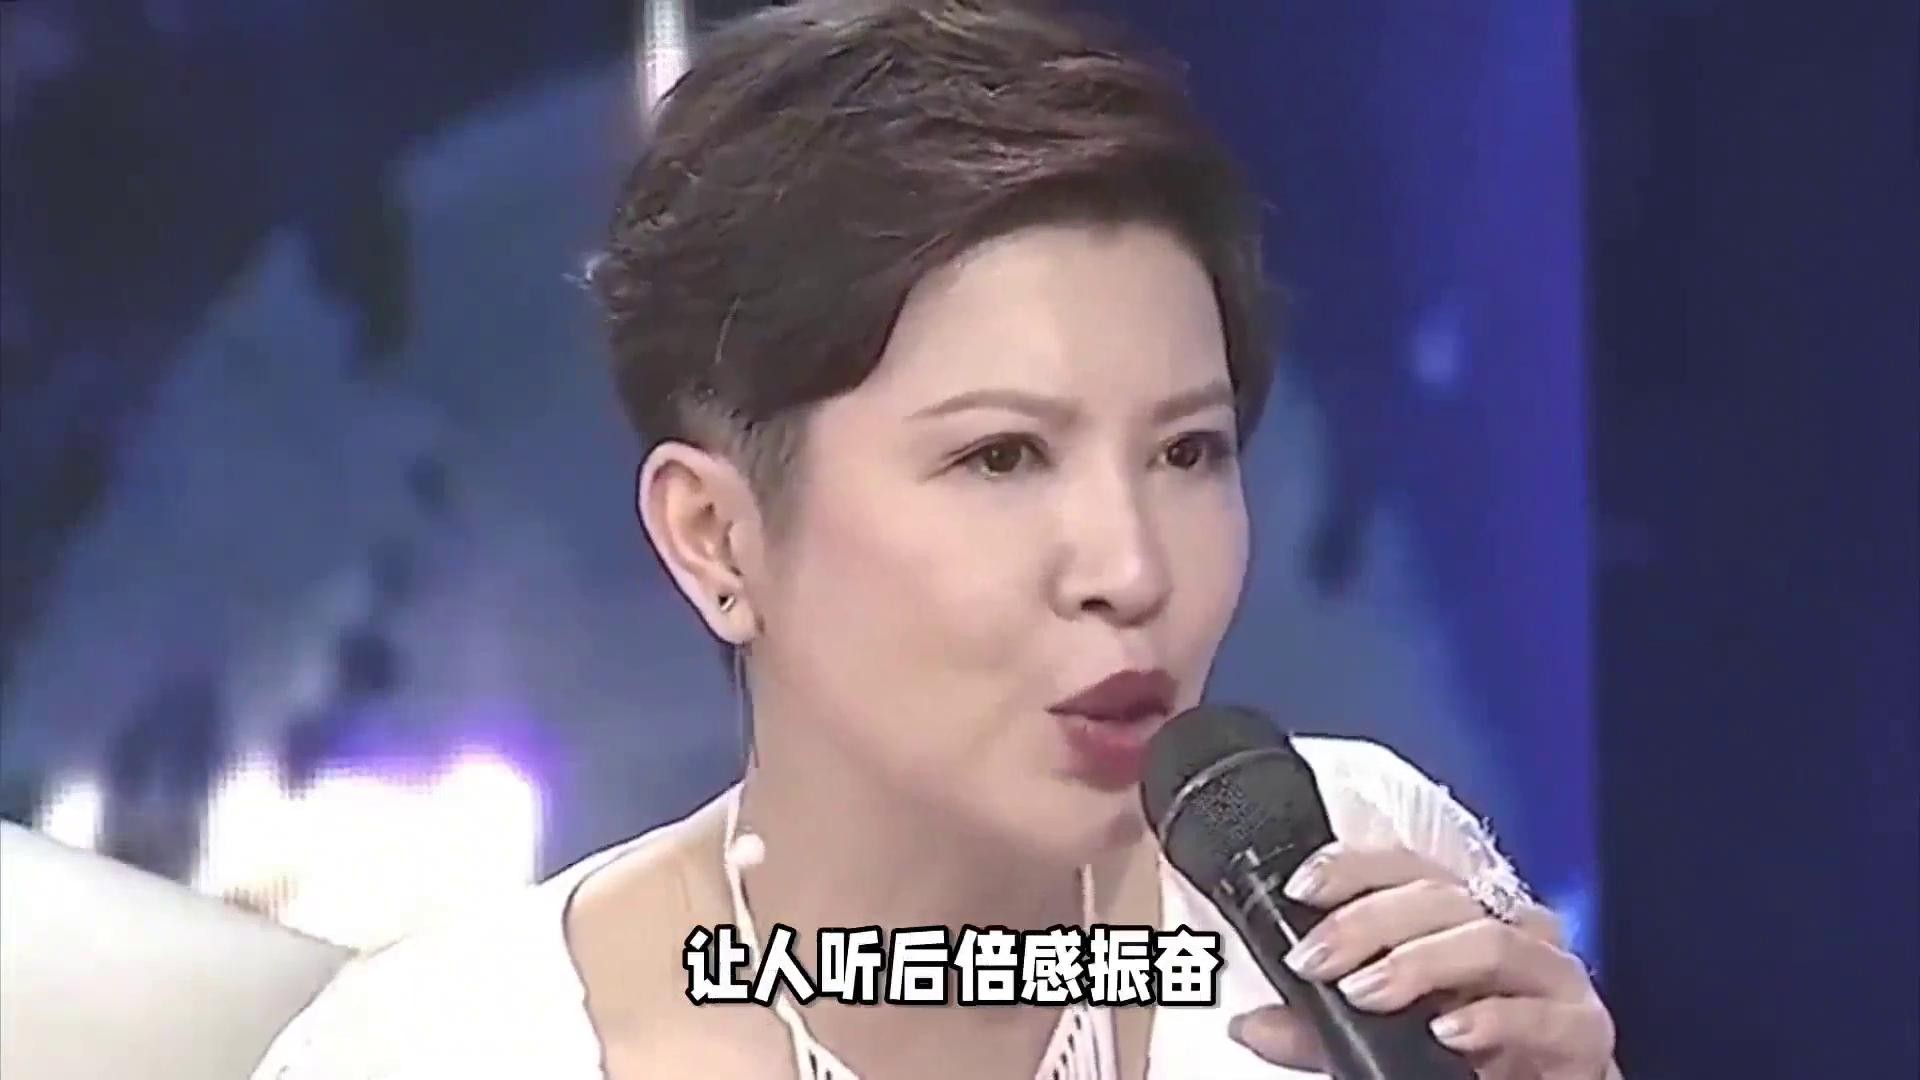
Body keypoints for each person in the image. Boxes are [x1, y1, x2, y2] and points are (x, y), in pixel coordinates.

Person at [251, 2, 1618, 1077]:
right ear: (716, 536)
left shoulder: (1357, 880)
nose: (1132, 571)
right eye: (1001, 457)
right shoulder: (446, 1053)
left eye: (1188, 452)